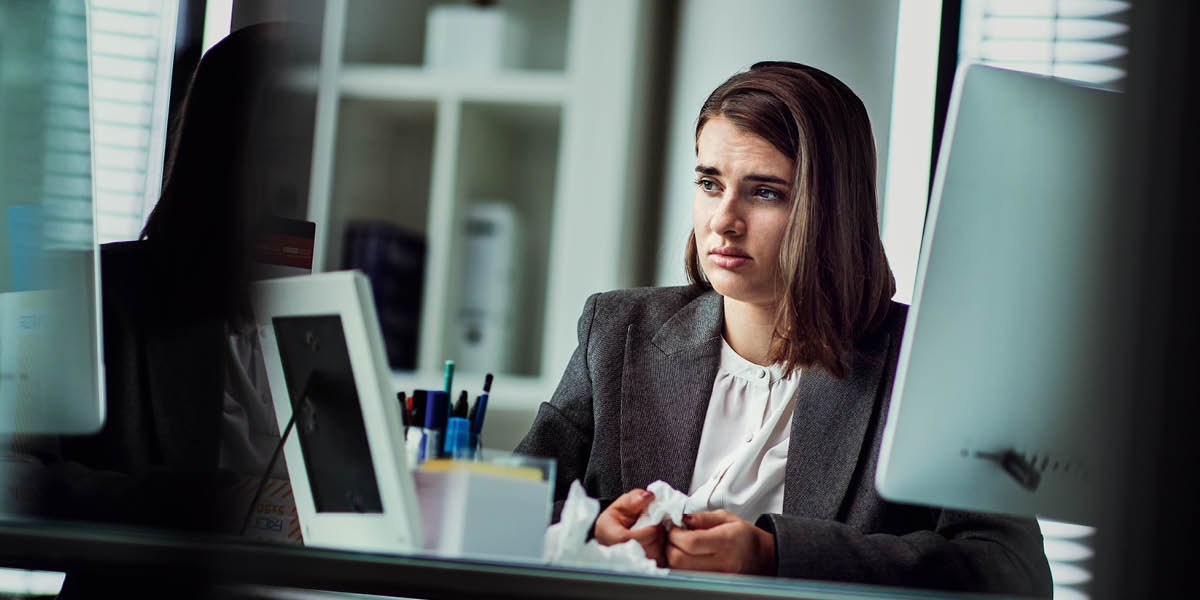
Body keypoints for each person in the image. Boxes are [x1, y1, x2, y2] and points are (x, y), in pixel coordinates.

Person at [515, 61, 1052, 595]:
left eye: (765, 192)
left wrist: (777, 556)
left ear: (832, 208)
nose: (723, 220)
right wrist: (588, 529)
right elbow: (508, 508)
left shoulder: (933, 364)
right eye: (709, 183)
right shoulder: (616, 331)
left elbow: (1013, 573)